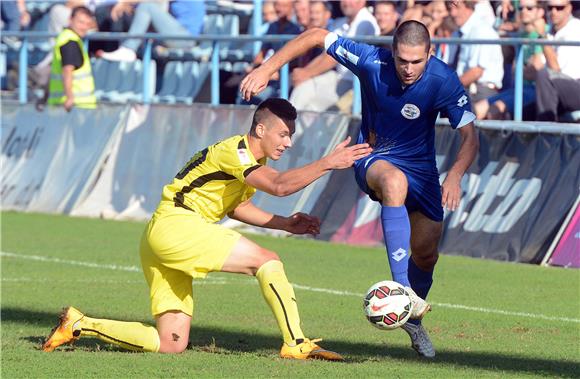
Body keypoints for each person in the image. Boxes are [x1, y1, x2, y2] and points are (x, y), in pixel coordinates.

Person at [42, 98, 372, 360]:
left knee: (171, 343)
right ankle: (297, 343)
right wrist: (328, 162)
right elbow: (281, 187)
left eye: (291, 135)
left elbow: (237, 207)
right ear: (260, 130)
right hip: (178, 227)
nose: (288, 142)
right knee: (267, 260)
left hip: (161, 234)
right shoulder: (237, 151)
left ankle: (80, 323)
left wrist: (284, 223)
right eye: (283, 134)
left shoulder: (251, 160)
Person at [240, 20, 479, 358]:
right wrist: (267, 68)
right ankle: (405, 292)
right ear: (392, 52)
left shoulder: (444, 80)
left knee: (426, 254)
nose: (408, 69)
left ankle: (411, 321)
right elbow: (316, 35)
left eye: (417, 61)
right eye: (402, 60)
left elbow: (470, 136)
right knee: (393, 181)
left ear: (431, 53)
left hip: (424, 172)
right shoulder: (371, 60)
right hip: (374, 158)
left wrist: (454, 175)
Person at [288, 0, 379, 112]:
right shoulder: (341, 22)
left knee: (332, 112)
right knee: (303, 89)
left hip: (357, 83)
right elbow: (326, 54)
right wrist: (304, 72)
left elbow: (336, 56)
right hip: (339, 77)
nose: (346, 3)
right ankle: (286, 126)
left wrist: (306, 73)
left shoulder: (366, 21)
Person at [473, 0, 557, 120]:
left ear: (540, 11)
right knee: (476, 110)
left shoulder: (545, 33)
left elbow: (535, 71)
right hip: (518, 89)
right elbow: (517, 70)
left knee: (494, 111)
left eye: (529, 8)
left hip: (536, 91)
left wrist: (521, 69)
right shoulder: (522, 35)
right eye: (521, 8)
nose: (524, 12)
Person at [98, 0, 205, 62]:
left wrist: (125, 2)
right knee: (140, 11)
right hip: (177, 35)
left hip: (185, 38)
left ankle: (129, 48)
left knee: (147, 6)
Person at [533, 0, 580, 121]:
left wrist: (542, 36)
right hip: (558, 89)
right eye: (550, 8)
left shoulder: (575, 29)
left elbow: (554, 69)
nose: (553, 12)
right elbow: (531, 69)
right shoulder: (550, 31)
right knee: (515, 109)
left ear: (569, 8)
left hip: (575, 86)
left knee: (544, 75)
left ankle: (547, 134)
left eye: (559, 8)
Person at [450, 0, 504, 103]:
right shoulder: (456, 34)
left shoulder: (482, 31)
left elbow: (476, 72)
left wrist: (447, 89)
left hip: (480, 92)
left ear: (469, 6)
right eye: (450, 8)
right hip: (463, 89)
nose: (452, 13)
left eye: (457, 7)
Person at [47, 6, 97, 111]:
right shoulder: (70, 41)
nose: (83, 27)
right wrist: (69, 97)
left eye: (87, 24)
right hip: (76, 107)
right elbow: (67, 70)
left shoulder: (66, 37)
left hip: (67, 105)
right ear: (70, 20)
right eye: (80, 22)